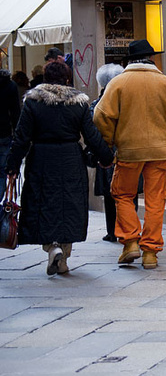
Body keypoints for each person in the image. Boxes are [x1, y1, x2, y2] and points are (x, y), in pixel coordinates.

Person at [5, 61, 114, 275]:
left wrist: (12, 166)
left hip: (41, 159)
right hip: (71, 159)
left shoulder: (33, 102)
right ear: (67, 79)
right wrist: (106, 157)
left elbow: (21, 138)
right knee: (69, 207)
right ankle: (64, 257)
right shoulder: (78, 103)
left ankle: (51, 247)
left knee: (42, 204)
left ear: (45, 79)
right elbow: (91, 135)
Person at [93, 39, 166, 269]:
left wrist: (110, 139)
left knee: (123, 194)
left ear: (129, 60)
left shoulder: (118, 83)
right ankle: (150, 252)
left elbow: (101, 116)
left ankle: (130, 242)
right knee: (155, 200)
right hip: (160, 151)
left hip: (129, 151)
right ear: (152, 59)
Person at [90, 63, 129, 243]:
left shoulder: (97, 104)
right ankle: (128, 229)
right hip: (125, 151)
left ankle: (112, 230)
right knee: (129, 193)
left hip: (106, 152)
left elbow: (92, 130)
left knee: (110, 194)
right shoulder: (126, 102)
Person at [0, 69, 21, 173]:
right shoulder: (10, 85)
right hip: (4, 131)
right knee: (3, 168)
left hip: (5, 131)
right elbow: (15, 112)